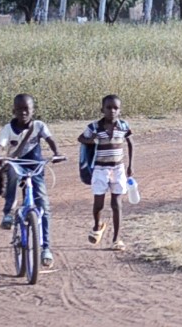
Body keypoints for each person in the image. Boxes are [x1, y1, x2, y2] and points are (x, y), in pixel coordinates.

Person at [0, 94, 62, 267]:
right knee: (12, 176)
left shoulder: (39, 126)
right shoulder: (8, 128)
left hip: (35, 167)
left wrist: (57, 154)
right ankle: (9, 212)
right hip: (16, 165)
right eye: (19, 109)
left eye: (26, 109)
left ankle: (45, 248)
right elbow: (0, 145)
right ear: (13, 110)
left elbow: (50, 140)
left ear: (32, 111)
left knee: (43, 205)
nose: (23, 112)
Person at [78, 95, 135, 251]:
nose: (112, 111)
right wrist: (92, 140)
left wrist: (130, 165)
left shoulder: (123, 126)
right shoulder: (94, 127)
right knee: (98, 204)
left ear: (120, 110)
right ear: (102, 109)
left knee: (117, 204)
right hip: (100, 169)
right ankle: (97, 225)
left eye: (115, 108)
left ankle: (117, 239)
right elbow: (81, 138)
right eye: (108, 108)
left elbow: (130, 143)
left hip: (118, 169)